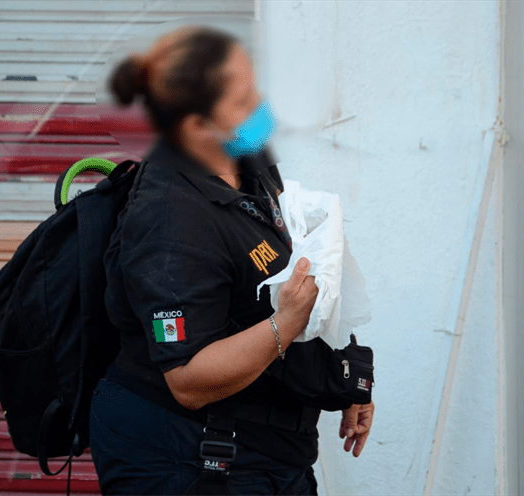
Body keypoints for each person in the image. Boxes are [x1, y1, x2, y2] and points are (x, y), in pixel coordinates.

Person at [91, 25, 375, 495]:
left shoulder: (248, 162)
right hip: (189, 463)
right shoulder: (168, 220)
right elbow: (188, 379)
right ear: (197, 126)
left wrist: (346, 377)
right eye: (243, 101)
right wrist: (285, 324)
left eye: (255, 86)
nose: (261, 106)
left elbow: (283, 268)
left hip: (269, 455)